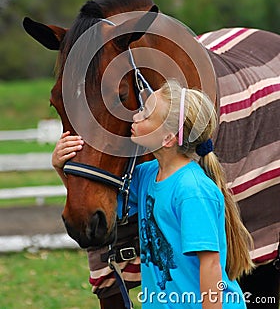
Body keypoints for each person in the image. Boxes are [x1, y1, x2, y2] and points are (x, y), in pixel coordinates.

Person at [52, 79, 254, 308]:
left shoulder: (192, 191)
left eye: (146, 115)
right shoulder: (148, 175)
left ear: (167, 138)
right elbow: (102, 204)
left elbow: (210, 266)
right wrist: (62, 167)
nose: (136, 116)